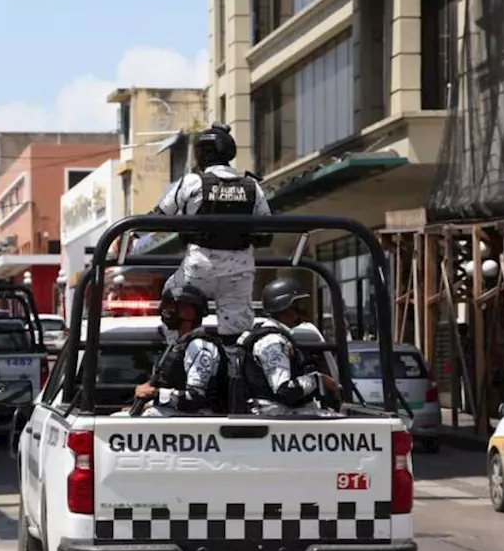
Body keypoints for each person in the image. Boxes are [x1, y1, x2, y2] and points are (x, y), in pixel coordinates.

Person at [152, 123, 271, 362]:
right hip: (239, 273)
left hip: (199, 270)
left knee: (172, 301)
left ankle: (180, 357)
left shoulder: (192, 182)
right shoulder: (252, 187)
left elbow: (158, 217)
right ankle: (235, 381)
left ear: (204, 153)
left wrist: (129, 236)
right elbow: (266, 233)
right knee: (238, 338)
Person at [237, 278, 342, 416]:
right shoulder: (272, 342)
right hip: (278, 420)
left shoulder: (273, 336)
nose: (303, 311)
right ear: (284, 307)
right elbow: (285, 390)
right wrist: (318, 380)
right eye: (297, 305)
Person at [126, 285, 228, 417]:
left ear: (190, 311)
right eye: (167, 306)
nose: (167, 311)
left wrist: (154, 393)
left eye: (173, 306)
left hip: (196, 423)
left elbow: (195, 397)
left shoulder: (200, 347)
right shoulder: (178, 344)